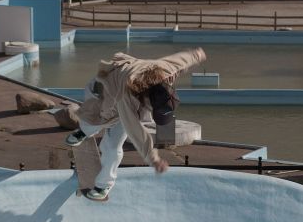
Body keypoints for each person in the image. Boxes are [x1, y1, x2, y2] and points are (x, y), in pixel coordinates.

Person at [65, 48, 206, 201]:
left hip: (123, 94)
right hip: (102, 91)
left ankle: (103, 184)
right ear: (146, 99)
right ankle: (84, 131)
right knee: (97, 119)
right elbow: (137, 133)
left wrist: (197, 55)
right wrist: (154, 159)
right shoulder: (127, 97)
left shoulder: (166, 71)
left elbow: (181, 60)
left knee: (111, 146)